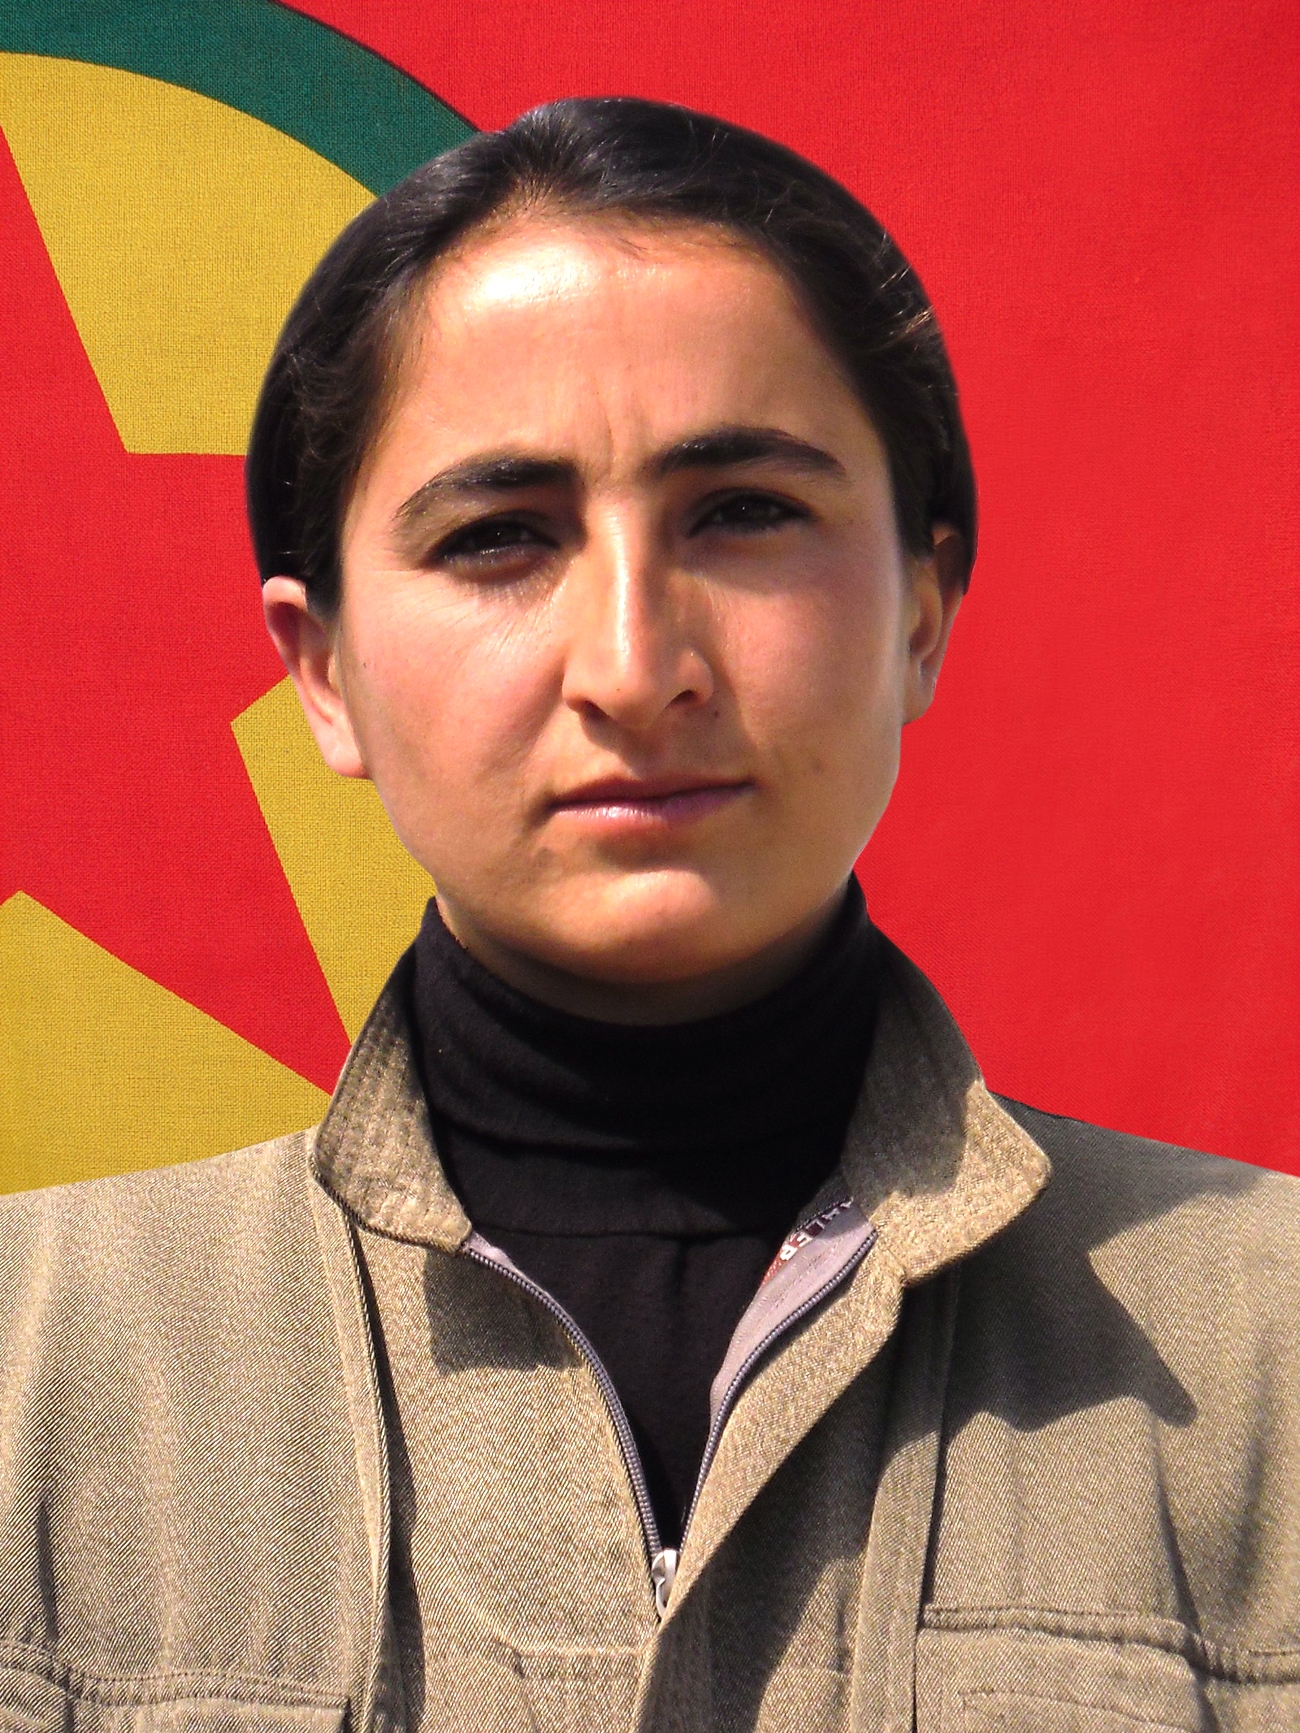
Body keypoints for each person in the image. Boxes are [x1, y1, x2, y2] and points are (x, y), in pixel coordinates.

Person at [0, 97, 1296, 1733]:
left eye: (743, 512)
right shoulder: (30, 1366)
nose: (633, 666)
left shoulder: (1268, 1352)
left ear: (921, 606)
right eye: (498, 538)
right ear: (322, 672)